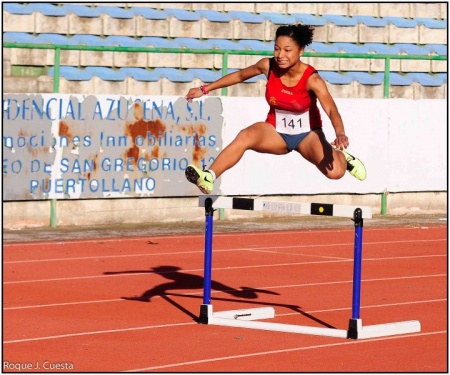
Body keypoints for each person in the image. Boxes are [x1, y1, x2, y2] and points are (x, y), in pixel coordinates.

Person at [184, 24, 366, 194]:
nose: (280, 55)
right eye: (277, 49)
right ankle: (209, 176)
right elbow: (240, 75)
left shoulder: (312, 79)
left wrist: (340, 133)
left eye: (287, 50)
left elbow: (331, 109)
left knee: (335, 172)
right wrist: (204, 89)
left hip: (308, 135)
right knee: (245, 135)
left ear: (301, 51)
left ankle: (343, 158)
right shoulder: (268, 66)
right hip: (276, 132)